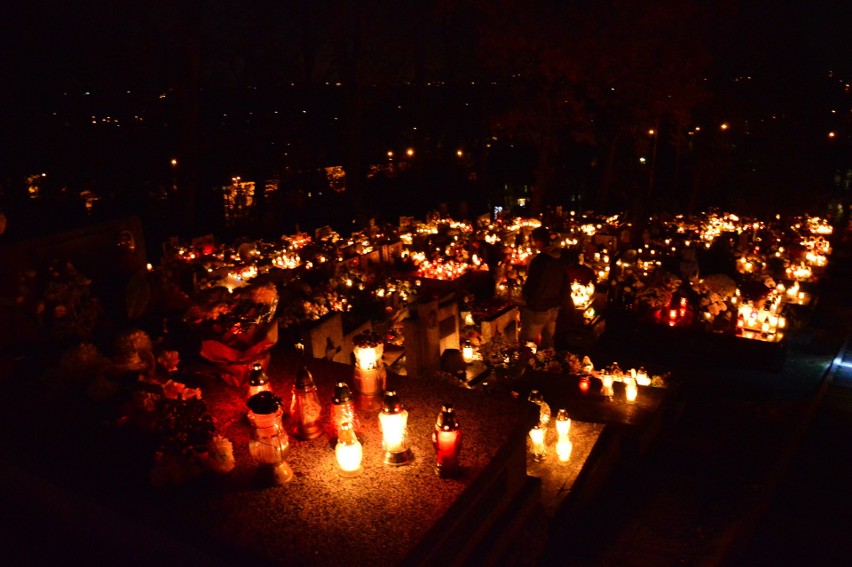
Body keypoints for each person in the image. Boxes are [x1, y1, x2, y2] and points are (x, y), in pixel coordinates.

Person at [520, 226, 569, 349]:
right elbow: (565, 282)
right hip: (554, 307)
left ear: (539, 242)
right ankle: (549, 365)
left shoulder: (539, 262)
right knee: (548, 343)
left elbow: (532, 285)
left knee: (525, 343)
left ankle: (526, 366)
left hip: (539, 308)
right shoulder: (560, 258)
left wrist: (526, 297)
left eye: (534, 241)